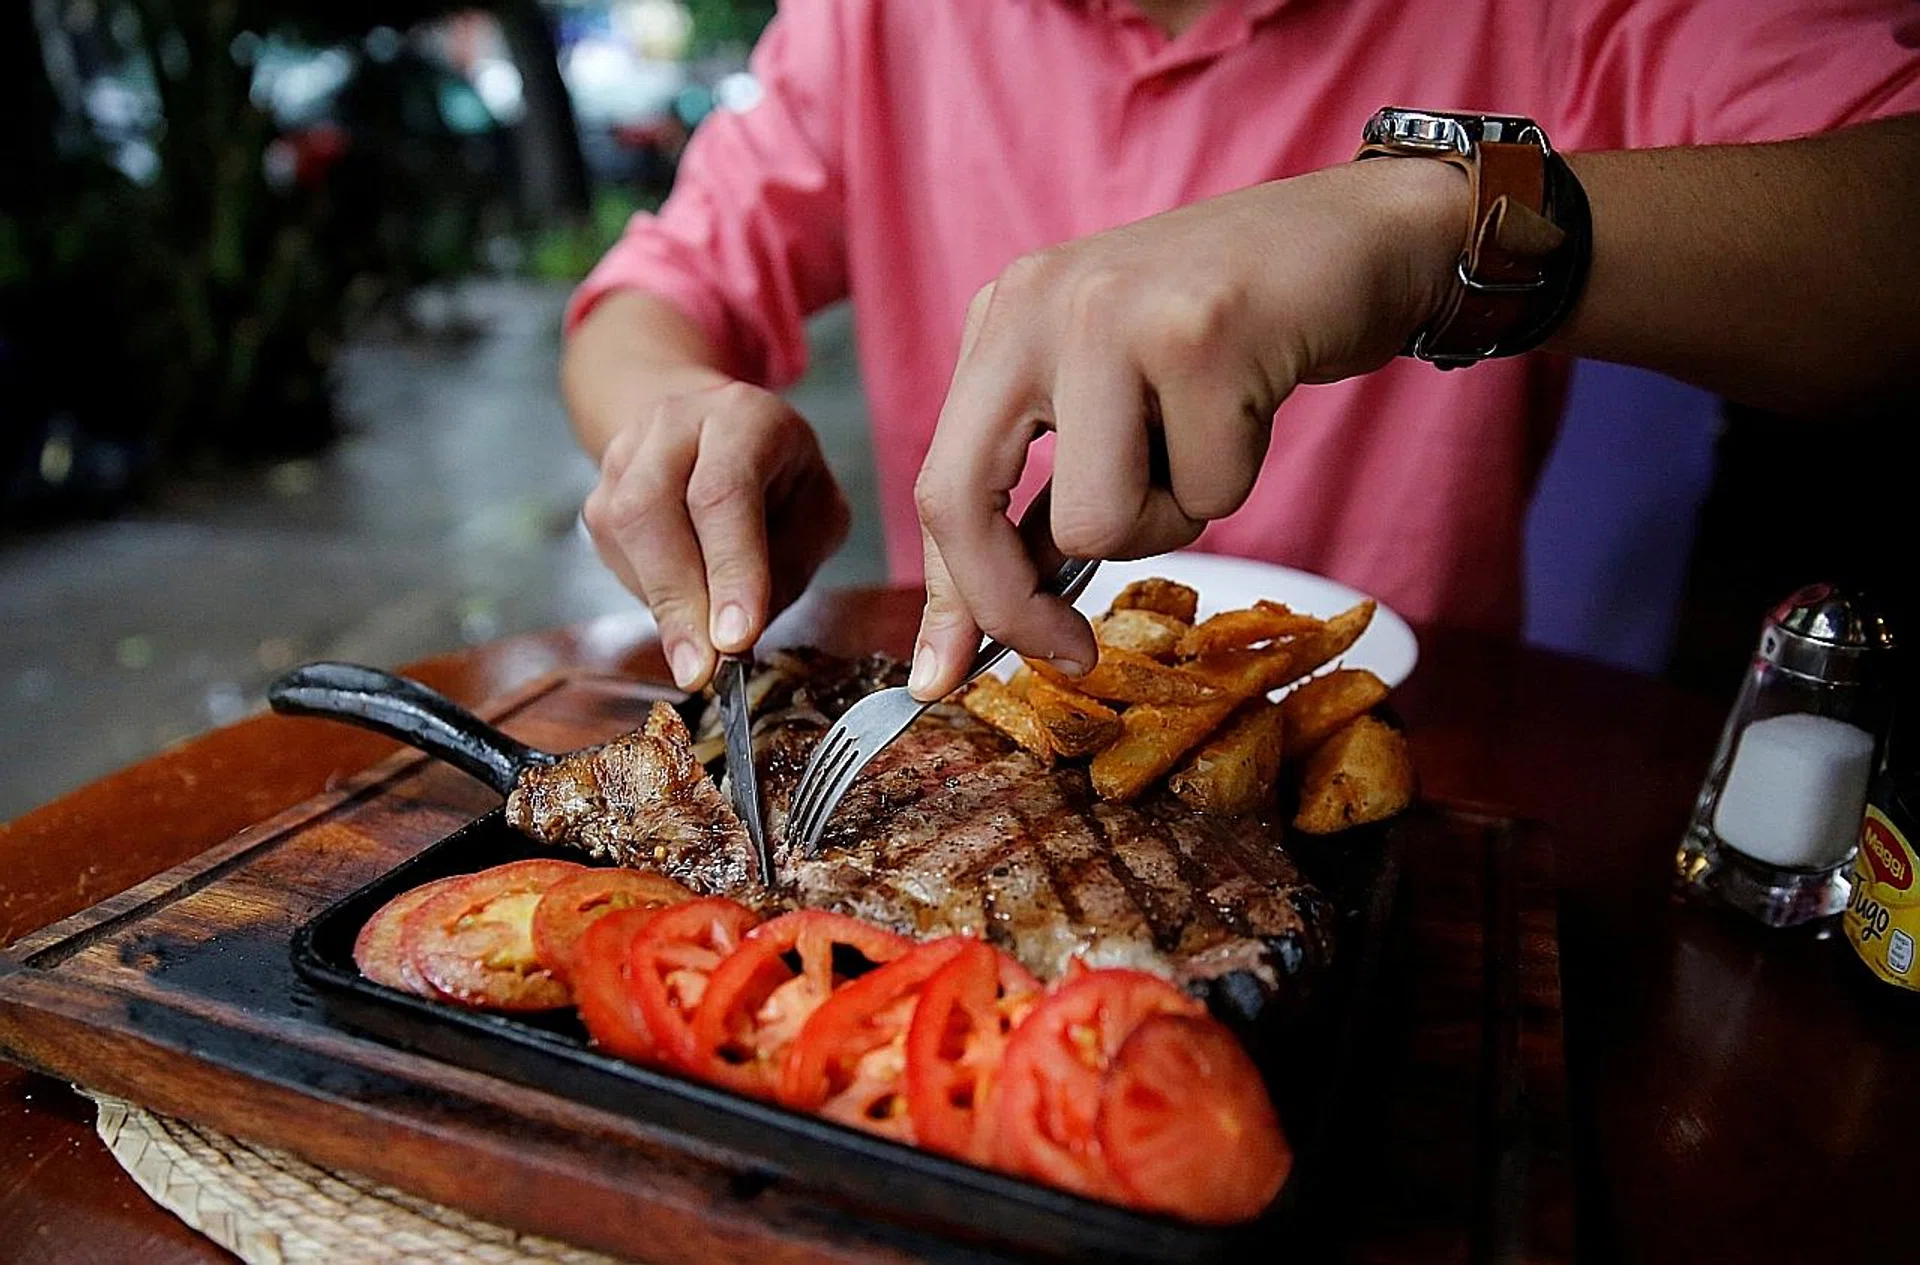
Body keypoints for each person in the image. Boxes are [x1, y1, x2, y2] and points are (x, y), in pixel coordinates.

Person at [561, 0, 1920, 700]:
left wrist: (1432, 224)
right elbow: (649, 298)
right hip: (974, 714)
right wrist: (679, 416)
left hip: (1427, 750)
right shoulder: (878, 20)